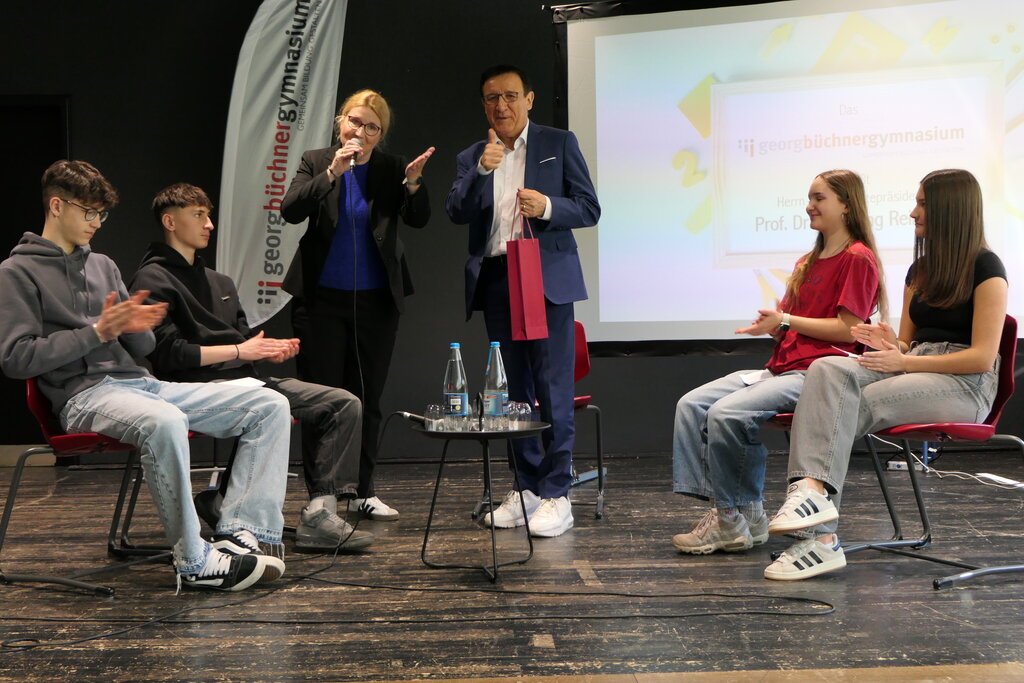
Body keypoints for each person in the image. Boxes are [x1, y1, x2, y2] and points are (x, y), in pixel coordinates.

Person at [0, 160, 291, 591]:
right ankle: (195, 562)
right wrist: (98, 331)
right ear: (57, 206)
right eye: (89, 211)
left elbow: (142, 350)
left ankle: (242, 533)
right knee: (165, 421)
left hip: (142, 386)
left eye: (102, 214)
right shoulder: (16, 272)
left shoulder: (103, 265)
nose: (96, 222)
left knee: (268, 403)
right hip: (84, 396)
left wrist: (135, 329)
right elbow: (16, 358)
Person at [764, 169, 1007, 580]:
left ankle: (819, 536)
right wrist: (890, 344)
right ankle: (811, 500)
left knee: (846, 403)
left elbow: (982, 358)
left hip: (965, 385)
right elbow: (908, 345)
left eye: (922, 204)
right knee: (826, 370)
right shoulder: (920, 270)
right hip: (918, 366)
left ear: (950, 208)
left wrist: (904, 361)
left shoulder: (987, 267)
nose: (913, 213)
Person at [130, 182, 374, 552]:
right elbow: (167, 355)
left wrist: (265, 351)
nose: (209, 224)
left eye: (209, 215)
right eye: (198, 215)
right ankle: (231, 508)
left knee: (343, 403)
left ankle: (318, 513)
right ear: (170, 222)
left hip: (245, 382)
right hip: (193, 388)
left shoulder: (220, 282)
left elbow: (243, 341)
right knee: (273, 410)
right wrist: (241, 350)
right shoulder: (152, 279)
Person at [671, 170, 885, 555]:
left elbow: (847, 330)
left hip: (819, 374)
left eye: (819, 198)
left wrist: (786, 320)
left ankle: (730, 516)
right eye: (810, 198)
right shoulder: (808, 260)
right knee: (691, 405)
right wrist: (775, 327)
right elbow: (792, 321)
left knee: (725, 413)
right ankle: (744, 514)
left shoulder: (857, 258)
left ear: (846, 205)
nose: (809, 206)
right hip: (781, 367)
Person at [445, 64, 601, 538]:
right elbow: (456, 210)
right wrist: (481, 170)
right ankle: (527, 488)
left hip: (542, 277)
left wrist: (548, 207)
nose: (502, 105)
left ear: (529, 99)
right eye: (492, 98)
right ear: (484, 105)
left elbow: (589, 207)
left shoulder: (559, 143)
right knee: (509, 392)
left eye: (511, 96)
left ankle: (557, 494)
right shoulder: (473, 156)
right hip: (497, 277)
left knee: (552, 388)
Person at [281, 89, 434, 522]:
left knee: (367, 398)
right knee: (322, 401)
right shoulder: (317, 160)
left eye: (372, 127)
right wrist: (333, 171)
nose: (361, 132)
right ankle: (322, 495)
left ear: (379, 135)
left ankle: (363, 490)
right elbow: (290, 210)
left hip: (376, 302)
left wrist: (413, 183)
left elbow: (419, 218)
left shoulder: (390, 167)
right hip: (320, 301)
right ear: (340, 122)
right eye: (355, 122)